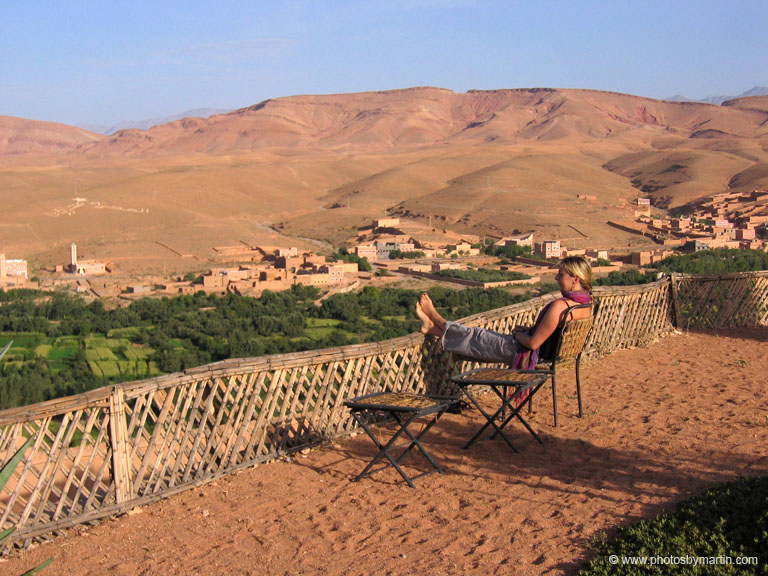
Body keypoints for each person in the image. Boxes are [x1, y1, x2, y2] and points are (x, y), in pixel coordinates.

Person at [415, 256, 593, 366]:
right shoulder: (586, 305)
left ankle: (435, 316)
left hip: (528, 354)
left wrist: (516, 334)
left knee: (477, 336)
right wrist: (529, 331)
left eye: (561, 274)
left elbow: (532, 344)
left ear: (575, 278)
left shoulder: (561, 307)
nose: (556, 277)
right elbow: (551, 336)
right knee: (476, 340)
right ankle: (431, 328)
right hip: (551, 357)